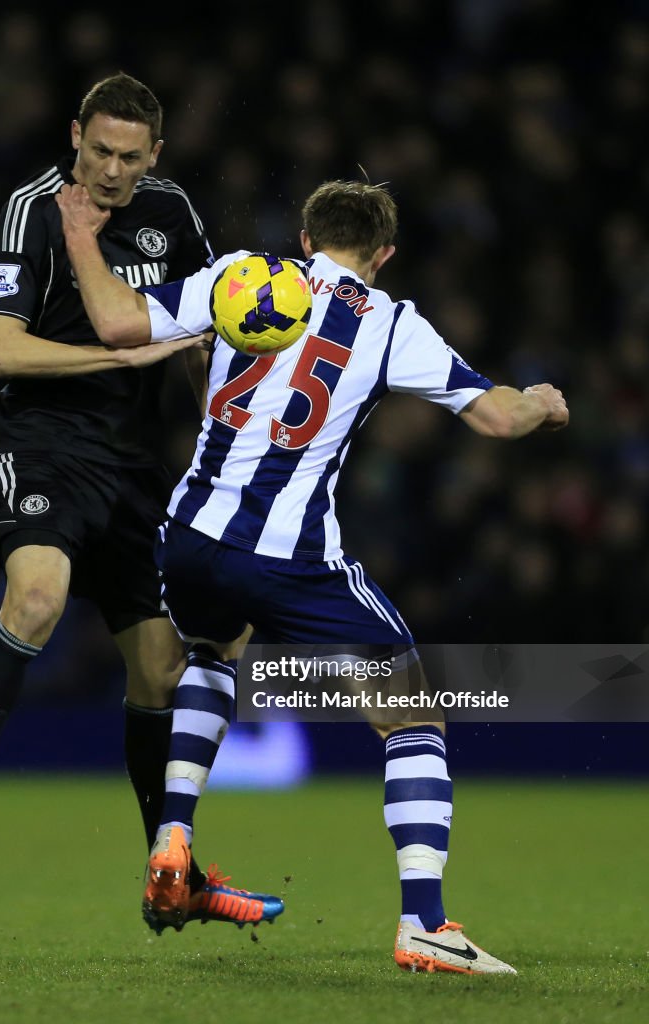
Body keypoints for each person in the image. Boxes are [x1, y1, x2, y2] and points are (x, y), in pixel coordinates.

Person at [54, 176, 569, 969]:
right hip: (290, 556)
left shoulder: (239, 276)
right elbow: (497, 416)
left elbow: (118, 322)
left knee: (212, 653)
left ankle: (173, 834)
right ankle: (424, 923)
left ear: (304, 238)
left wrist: (82, 236)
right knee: (414, 717)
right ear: (384, 255)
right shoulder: (393, 321)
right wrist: (541, 401)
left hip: (189, 535)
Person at [0, 71, 284, 932]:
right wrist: (115, 360)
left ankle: (170, 876)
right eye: (99, 150)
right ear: (75, 135)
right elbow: (1, 350)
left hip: (140, 470)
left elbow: (194, 342)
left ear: (157, 155)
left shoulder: (174, 214)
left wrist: (223, 441)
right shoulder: (31, 208)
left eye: (130, 157)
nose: (111, 171)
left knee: (160, 669)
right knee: (36, 597)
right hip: (46, 448)